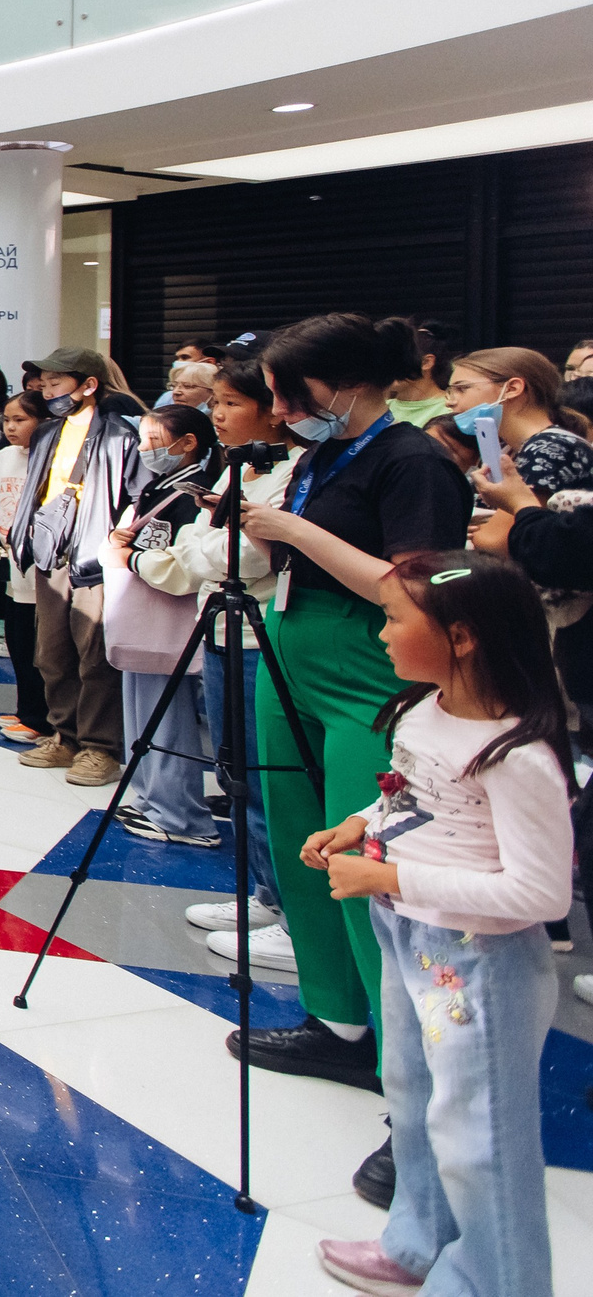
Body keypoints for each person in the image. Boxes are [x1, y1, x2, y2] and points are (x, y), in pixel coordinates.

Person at [225, 315, 472, 1201]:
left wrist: (291, 532)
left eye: (294, 392)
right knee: (300, 840)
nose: (283, 408)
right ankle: (339, 1019)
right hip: (292, 644)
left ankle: (419, 1099)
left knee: (373, 860)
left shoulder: (412, 460)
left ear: (347, 383)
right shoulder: (327, 453)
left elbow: (418, 581)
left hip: (371, 661)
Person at [305, 554, 575, 1297]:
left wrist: (386, 875)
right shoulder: (425, 709)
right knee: (415, 1096)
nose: (381, 633)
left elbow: (540, 890)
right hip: (407, 932)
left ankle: (499, 1281)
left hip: (478, 960)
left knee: (479, 1131)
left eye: (394, 618)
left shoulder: (517, 755)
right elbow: (410, 795)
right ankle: (417, 1242)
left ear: (461, 638)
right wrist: (357, 823)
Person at [140, 359, 298, 954]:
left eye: (231, 403)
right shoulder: (240, 470)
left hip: (262, 637)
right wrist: (204, 543)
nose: (218, 415)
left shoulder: (288, 475)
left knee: (267, 776)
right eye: (216, 403)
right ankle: (264, 893)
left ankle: (291, 908)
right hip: (223, 629)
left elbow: (246, 558)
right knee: (237, 772)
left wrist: (203, 544)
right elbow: (198, 545)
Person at [6, 346, 147, 787]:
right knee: (51, 652)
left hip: (94, 556)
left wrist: (117, 545)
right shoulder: (48, 432)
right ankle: (63, 735)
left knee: (95, 656)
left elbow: (136, 496)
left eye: (57, 383)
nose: (47, 392)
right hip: (52, 553)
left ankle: (100, 747)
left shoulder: (121, 434)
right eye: (43, 384)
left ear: (88, 385)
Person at [100, 401, 223, 844]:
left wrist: (129, 556)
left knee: (167, 715)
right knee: (144, 710)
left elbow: (185, 563)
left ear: (188, 443)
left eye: (154, 440)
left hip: (167, 613)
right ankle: (154, 799)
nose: (144, 448)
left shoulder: (197, 493)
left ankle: (181, 813)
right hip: (146, 611)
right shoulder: (161, 485)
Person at [0, 392, 52, 745]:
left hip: (45, 567)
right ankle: (26, 709)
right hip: (14, 563)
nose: (10, 427)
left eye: (20, 420)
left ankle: (41, 718)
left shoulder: (54, 460)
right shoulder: (4, 457)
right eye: (6, 420)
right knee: (18, 639)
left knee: (40, 646)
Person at [445, 345, 593, 497]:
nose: (449, 402)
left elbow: (515, 519)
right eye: (450, 391)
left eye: (462, 388)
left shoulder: (550, 448)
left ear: (512, 388)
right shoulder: (506, 449)